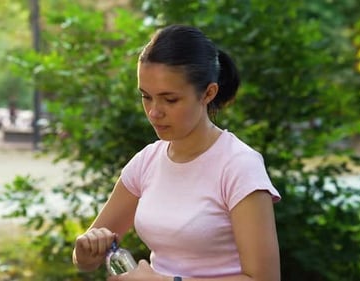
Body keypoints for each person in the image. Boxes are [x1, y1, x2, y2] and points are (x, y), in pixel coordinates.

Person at [72, 24, 281, 281]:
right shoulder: (146, 162)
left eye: (169, 99)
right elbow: (85, 260)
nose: (154, 112)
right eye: (146, 96)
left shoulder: (239, 166)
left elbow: (265, 278)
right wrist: (86, 250)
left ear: (208, 93)